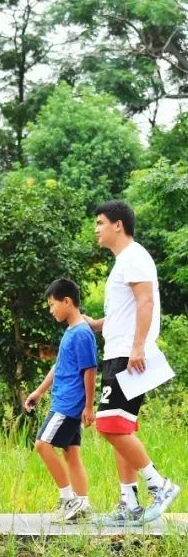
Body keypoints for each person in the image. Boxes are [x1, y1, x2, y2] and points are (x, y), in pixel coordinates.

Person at [84, 200, 180, 524]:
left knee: (109, 424)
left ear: (117, 225)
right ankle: (129, 504)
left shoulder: (134, 256)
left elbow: (145, 301)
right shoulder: (123, 261)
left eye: (100, 222)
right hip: (118, 351)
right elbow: (122, 313)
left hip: (129, 355)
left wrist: (138, 346)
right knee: (120, 426)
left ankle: (160, 485)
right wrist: (96, 324)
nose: (96, 229)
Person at [24, 278, 98, 523]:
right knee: (71, 453)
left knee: (42, 445)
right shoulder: (71, 330)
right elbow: (60, 365)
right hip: (64, 401)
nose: (51, 310)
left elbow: (90, 370)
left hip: (68, 405)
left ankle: (68, 498)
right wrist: (39, 391)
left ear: (67, 301)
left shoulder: (82, 334)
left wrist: (89, 406)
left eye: (53, 304)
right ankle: (83, 504)